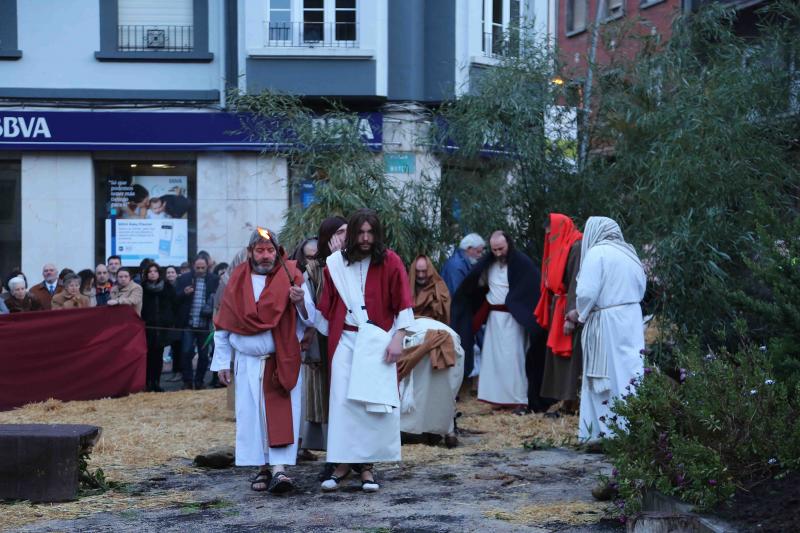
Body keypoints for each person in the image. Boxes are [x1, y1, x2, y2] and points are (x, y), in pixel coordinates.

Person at [316, 209, 413, 493]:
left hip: (378, 341)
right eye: (361, 232)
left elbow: (404, 304)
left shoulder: (391, 261)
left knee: (372, 405)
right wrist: (301, 305)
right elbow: (325, 309)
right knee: (344, 404)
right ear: (353, 234)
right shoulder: (335, 265)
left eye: (371, 232)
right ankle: (342, 464)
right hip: (345, 341)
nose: (366, 238)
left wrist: (399, 338)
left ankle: (368, 468)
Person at [210, 228, 312, 494]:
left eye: (269, 250)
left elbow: (310, 318)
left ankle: (279, 470)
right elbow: (223, 325)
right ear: (250, 253)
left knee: (281, 416)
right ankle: (262, 469)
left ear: (277, 252)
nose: (265, 256)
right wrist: (222, 362)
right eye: (260, 250)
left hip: (280, 360)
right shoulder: (236, 281)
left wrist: (300, 302)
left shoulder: (292, 276)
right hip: (247, 362)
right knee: (252, 417)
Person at [452, 231, 551, 413]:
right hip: (494, 320)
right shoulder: (488, 264)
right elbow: (476, 285)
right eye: (494, 249)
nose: (498, 253)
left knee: (514, 359)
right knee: (494, 361)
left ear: (509, 245)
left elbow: (532, 289)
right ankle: (498, 398)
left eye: (501, 248)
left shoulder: (521, 263)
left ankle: (519, 398)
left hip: (514, 320)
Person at [570, 216, 645, 443]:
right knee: (630, 373)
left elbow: (585, 292)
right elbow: (642, 285)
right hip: (631, 318)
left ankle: (602, 433)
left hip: (607, 321)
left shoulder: (597, 252)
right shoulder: (630, 253)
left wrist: (580, 313)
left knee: (605, 376)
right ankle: (632, 428)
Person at [398, 255, 462, 448]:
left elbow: (444, 312)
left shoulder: (439, 288)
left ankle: (447, 426)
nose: (421, 275)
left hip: (437, 331)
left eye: (424, 271)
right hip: (412, 330)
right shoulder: (404, 288)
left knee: (444, 379)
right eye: (417, 271)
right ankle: (408, 427)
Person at [299, 217, 346, 462]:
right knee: (321, 390)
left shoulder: (355, 263)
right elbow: (313, 306)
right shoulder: (314, 269)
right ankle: (327, 447)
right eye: (340, 232)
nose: (345, 236)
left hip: (347, 335)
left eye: (348, 231)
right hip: (321, 336)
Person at [534, 214, 583, 414]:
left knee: (570, 357)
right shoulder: (560, 248)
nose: (549, 240)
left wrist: (570, 316)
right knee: (558, 358)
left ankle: (573, 400)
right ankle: (565, 399)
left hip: (568, 310)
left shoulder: (577, 247)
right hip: (559, 307)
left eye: (551, 236)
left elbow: (575, 283)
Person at [175, 255, 220, 390]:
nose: (200, 270)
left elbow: (218, 300)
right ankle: (187, 381)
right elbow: (175, 298)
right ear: (193, 266)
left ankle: (199, 381)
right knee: (186, 352)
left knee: (203, 355)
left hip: (205, 324)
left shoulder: (214, 280)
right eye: (197, 267)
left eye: (203, 268)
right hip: (188, 322)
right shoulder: (184, 279)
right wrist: (184, 293)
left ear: (208, 267)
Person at [141, 262, 177, 392]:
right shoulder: (142, 288)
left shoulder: (167, 287)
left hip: (162, 328)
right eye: (150, 271)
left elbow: (174, 305)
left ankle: (156, 382)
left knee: (158, 356)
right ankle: (147, 382)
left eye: (155, 271)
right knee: (148, 356)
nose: (152, 273)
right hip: (147, 328)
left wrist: (170, 321)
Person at [164, 265, 183, 381]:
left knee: (179, 349)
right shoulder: (164, 287)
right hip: (169, 322)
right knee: (173, 348)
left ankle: (179, 372)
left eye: (172, 272)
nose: (170, 274)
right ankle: (175, 372)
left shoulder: (180, 286)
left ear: (176, 274)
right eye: (168, 272)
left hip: (179, 322)